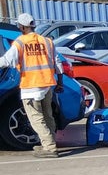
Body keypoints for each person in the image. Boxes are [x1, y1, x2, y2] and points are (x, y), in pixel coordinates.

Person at [0, 12, 63, 158]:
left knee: (36, 118)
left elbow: (7, 61)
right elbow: (57, 63)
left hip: (31, 86)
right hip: (47, 85)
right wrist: (60, 82)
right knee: (48, 116)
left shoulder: (20, 42)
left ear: (22, 26)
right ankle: (49, 143)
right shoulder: (47, 41)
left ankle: (50, 147)